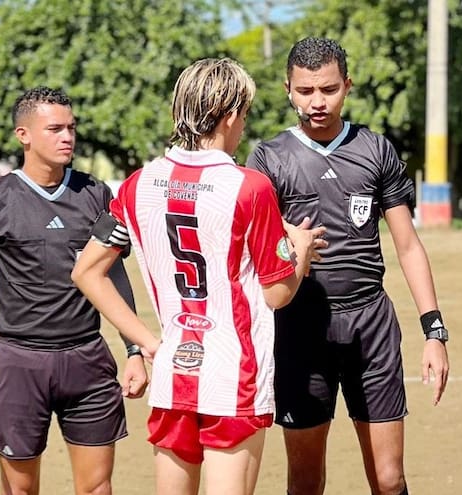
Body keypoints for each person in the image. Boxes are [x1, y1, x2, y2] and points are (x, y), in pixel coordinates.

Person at [71, 58, 325, 495]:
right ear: (229, 115)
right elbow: (279, 293)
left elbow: (86, 271)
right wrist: (300, 252)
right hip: (234, 377)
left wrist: (149, 343)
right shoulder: (249, 187)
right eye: (244, 115)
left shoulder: (138, 184)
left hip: (174, 372)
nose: (244, 127)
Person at [244, 37, 451, 495]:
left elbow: (408, 245)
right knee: (304, 481)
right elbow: (255, 256)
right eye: (305, 91)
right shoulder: (268, 157)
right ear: (288, 89)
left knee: (388, 478)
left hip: (370, 325)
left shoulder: (376, 150)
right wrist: (291, 250)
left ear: (347, 86)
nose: (317, 102)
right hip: (299, 327)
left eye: (329, 89)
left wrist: (434, 331)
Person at [0, 86, 148, 495]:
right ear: (23, 134)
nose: (67, 137)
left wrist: (133, 351)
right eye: (55, 128)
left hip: (88, 360)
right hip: (20, 362)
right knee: (20, 490)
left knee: (97, 487)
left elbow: (115, 275)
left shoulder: (95, 194)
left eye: (71, 128)